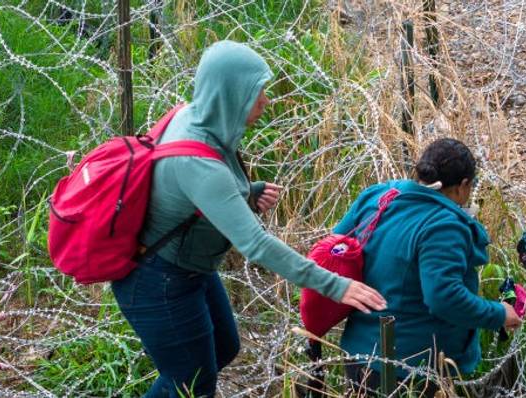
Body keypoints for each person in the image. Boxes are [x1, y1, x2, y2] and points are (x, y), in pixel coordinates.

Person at [112, 40, 387, 398]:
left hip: (187, 268)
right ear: (231, 95)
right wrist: (336, 285)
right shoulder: (199, 164)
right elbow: (255, 245)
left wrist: (246, 194)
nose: (265, 101)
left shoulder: (198, 116)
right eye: (257, 92)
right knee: (191, 382)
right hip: (158, 280)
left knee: (223, 350)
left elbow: (198, 194)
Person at [335, 138, 524, 396]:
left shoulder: (379, 196)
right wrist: (498, 314)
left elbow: (334, 250)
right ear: (464, 185)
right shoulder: (443, 226)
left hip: (359, 353)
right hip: (409, 369)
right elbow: (444, 297)